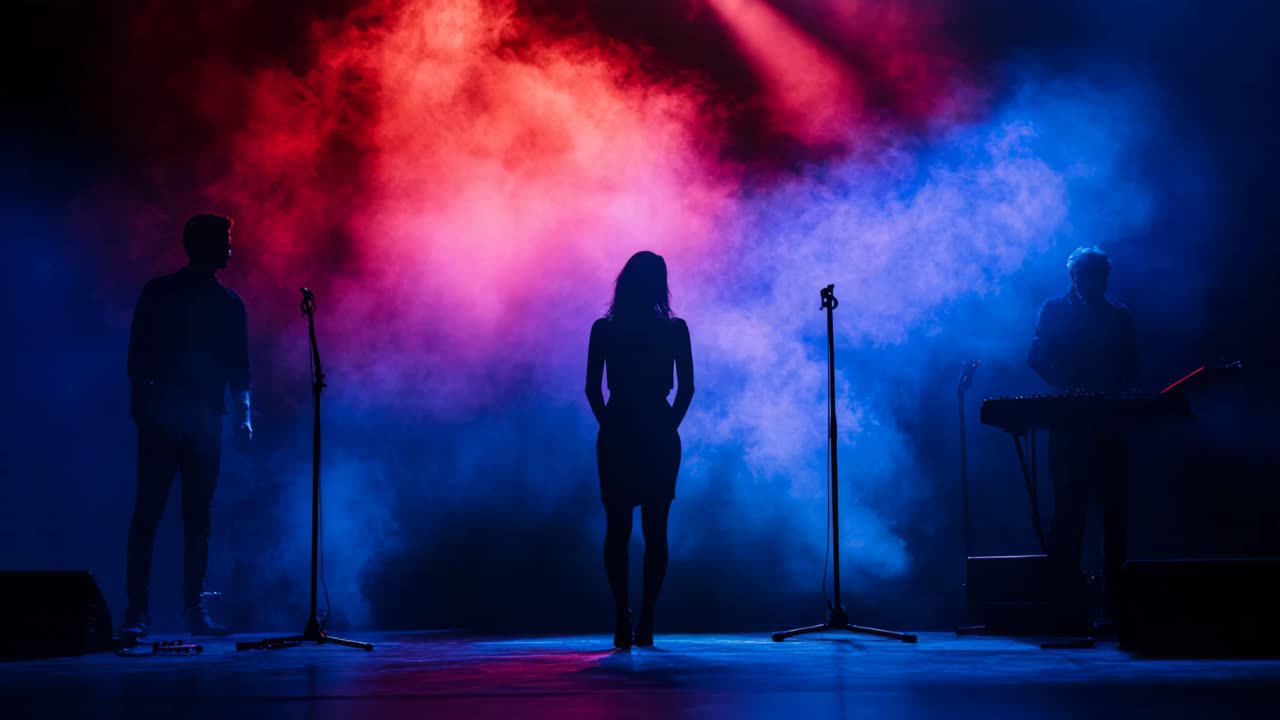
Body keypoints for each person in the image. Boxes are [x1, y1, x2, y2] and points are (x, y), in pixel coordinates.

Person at [121, 213, 253, 639]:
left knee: (196, 516)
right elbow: (139, 355)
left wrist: (244, 415)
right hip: (165, 416)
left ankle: (190, 608)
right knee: (151, 513)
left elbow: (239, 368)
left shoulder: (229, 304)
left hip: (204, 419)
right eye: (226, 240)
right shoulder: (161, 293)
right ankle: (138, 612)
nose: (231, 247)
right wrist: (143, 404)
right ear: (205, 246)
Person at [585, 251, 694, 648]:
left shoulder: (605, 329)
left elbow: (592, 389)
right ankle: (646, 618)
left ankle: (622, 616)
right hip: (657, 430)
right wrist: (668, 426)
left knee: (617, 528)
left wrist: (610, 425)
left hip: (619, 430)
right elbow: (687, 389)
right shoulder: (674, 329)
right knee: (655, 530)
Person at [1027, 246, 1138, 629]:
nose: (1093, 283)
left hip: (1109, 422)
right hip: (1070, 423)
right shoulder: (1055, 309)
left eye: (1099, 276)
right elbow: (1036, 356)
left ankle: (1117, 603)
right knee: (1068, 513)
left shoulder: (1118, 315)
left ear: (1106, 278)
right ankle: (1065, 603)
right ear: (1073, 277)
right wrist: (1067, 387)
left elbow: (1132, 366)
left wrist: (1118, 392)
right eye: (1086, 276)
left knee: (1113, 514)